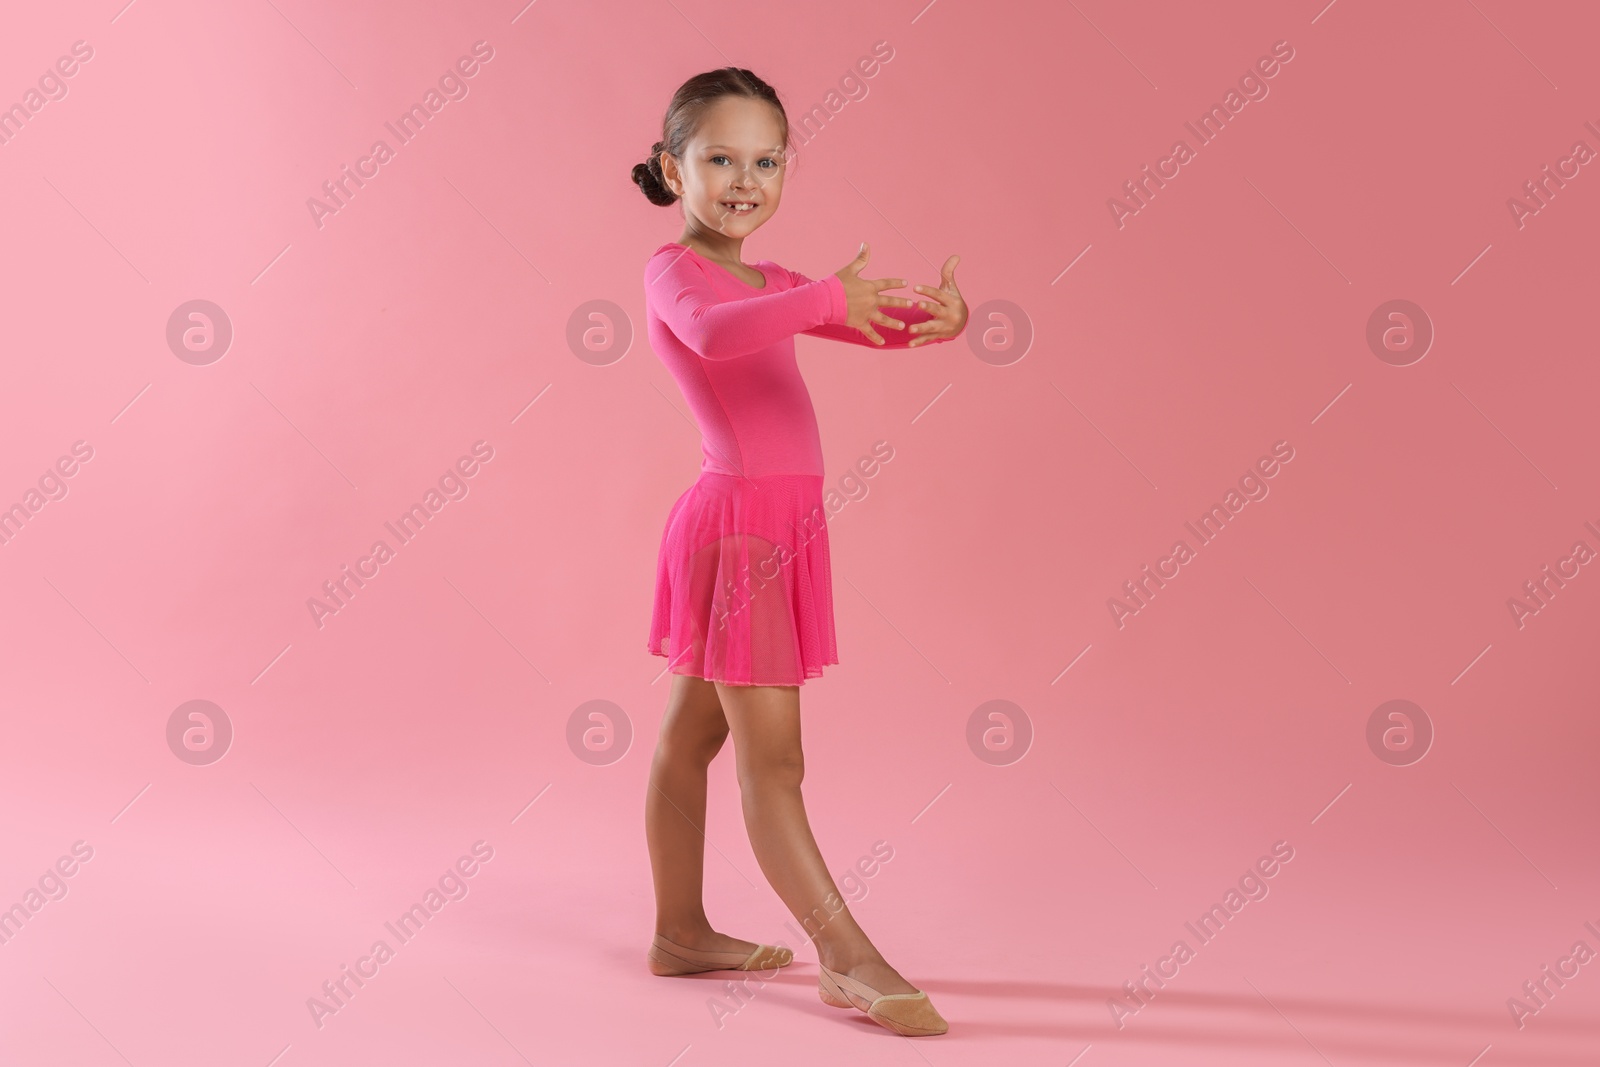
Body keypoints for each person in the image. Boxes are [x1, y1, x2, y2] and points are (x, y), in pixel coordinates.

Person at [630, 66, 967, 1037]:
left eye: (766, 159)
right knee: (774, 764)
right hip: (737, 535)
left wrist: (935, 322)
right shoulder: (675, 272)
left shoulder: (774, 284)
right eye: (720, 158)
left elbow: (860, 321)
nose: (745, 178)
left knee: (691, 737)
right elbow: (712, 329)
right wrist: (820, 295)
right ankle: (848, 956)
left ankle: (680, 931)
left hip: (778, 534)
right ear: (672, 167)